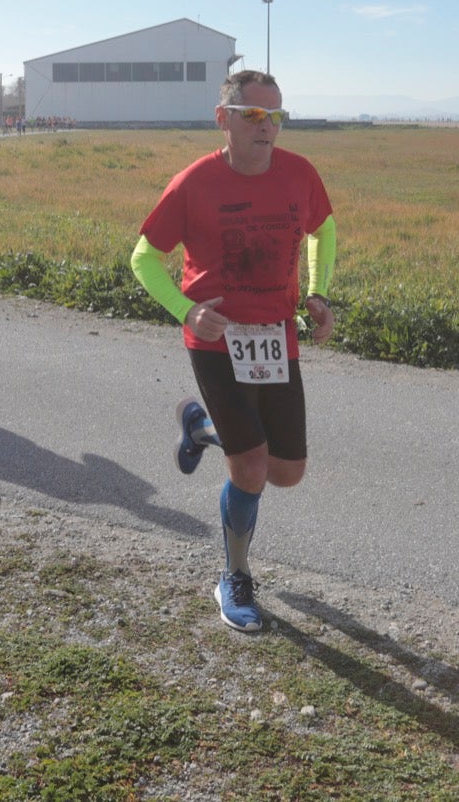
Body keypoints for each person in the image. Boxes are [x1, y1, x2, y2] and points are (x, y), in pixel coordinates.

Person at [130, 70, 336, 633]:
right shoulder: (194, 182)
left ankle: (201, 428)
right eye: (253, 115)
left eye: (276, 116)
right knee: (249, 468)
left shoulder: (299, 174)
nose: (266, 126)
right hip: (215, 338)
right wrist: (186, 310)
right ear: (223, 118)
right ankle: (235, 577)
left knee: (286, 472)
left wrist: (317, 292)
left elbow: (324, 229)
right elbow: (144, 258)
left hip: (275, 336)